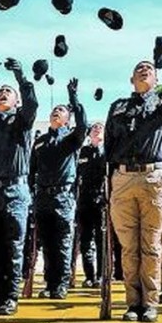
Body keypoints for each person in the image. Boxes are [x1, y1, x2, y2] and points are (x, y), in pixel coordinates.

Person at [104, 21, 162, 323]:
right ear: (132, 79)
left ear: (155, 78)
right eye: (139, 69)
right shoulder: (117, 106)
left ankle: (150, 302)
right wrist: (109, 181)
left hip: (153, 177)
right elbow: (108, 146)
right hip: (122, 178)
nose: (144, 70)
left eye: (149, 68)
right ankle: (133, 303)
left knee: (151, 244)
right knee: (128, 246)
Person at [0, 58, 38, 316]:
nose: (3, 93)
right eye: (0, 91)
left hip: (14, 192)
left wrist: (20, 78)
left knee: (12, 247)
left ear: (16, 101)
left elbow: (32, 103)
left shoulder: (21, 121)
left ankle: (10, 297)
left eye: (8, 92)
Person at [30, 78, 87, 299]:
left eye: (61, 110)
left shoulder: (72, 139)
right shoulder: (40, 141)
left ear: (67, 118)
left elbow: (82, 125)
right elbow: (31, 170)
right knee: (47, 243)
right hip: (42, 196)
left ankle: (61, 284)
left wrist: (74, 98)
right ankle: (49, 283)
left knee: (63, 242)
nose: (56, 112)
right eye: (54, 110)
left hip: (63, 196)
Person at [75, 122, 107, 288]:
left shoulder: (108, 152)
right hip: (84, 200)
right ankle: (89, 276)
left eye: (100, 128)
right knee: (86, 239)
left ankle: (102, 275)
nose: (97, 130)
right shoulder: (83, 152)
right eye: (94, 128)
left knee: (102, 239)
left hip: (102, 200)